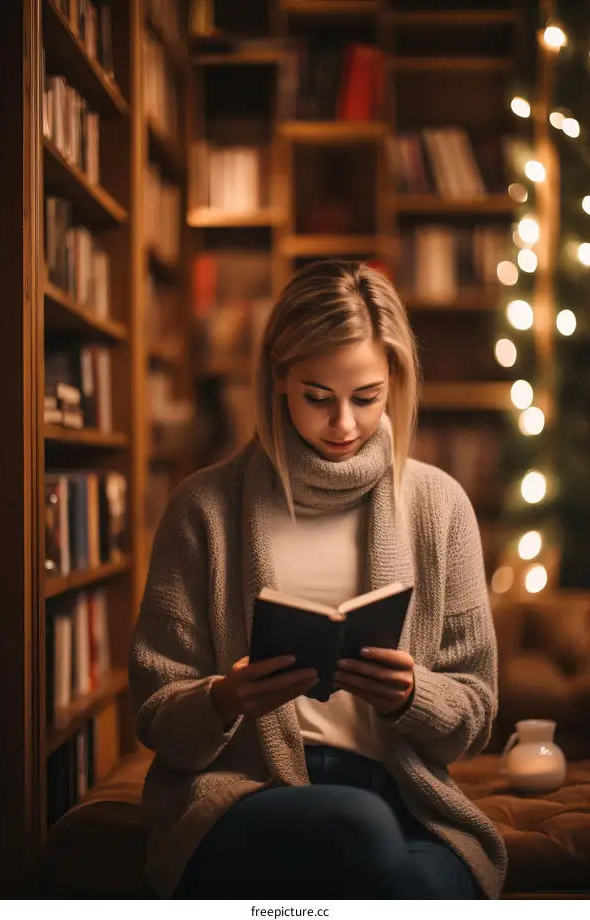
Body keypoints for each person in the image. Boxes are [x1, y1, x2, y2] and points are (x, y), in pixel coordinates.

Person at [129, 259, 507, 900]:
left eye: (367, 397)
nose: (344, 425)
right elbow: (155, 714)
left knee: (428, 881)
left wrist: (414, 695)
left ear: (395, 381)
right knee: (358, 832)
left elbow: (475, 712)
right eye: (317, 396)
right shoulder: (203, 510)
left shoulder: (439, 506)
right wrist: (226, 698)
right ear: (278, 376)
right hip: (244, 796)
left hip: (402, 798)